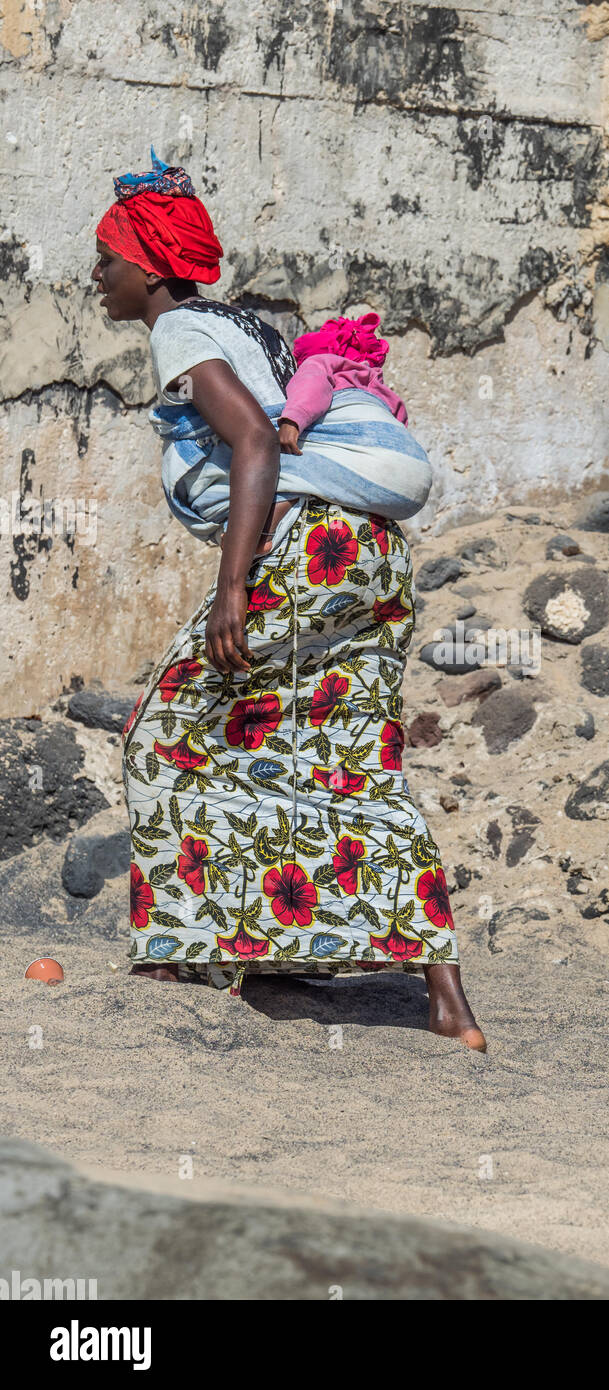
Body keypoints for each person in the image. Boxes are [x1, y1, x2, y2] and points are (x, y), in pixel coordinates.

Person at [95, 148, 485, 1049]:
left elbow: (255, 450)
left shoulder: (180, 337)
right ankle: (445, 1001)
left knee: (165, 732)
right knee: (345, 754)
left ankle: (182, 951)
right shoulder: (252, 327)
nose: (96, 276)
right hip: (370, 552)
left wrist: (233, 587)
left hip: (302, 551)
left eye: (108, 259)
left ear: (149, 266)